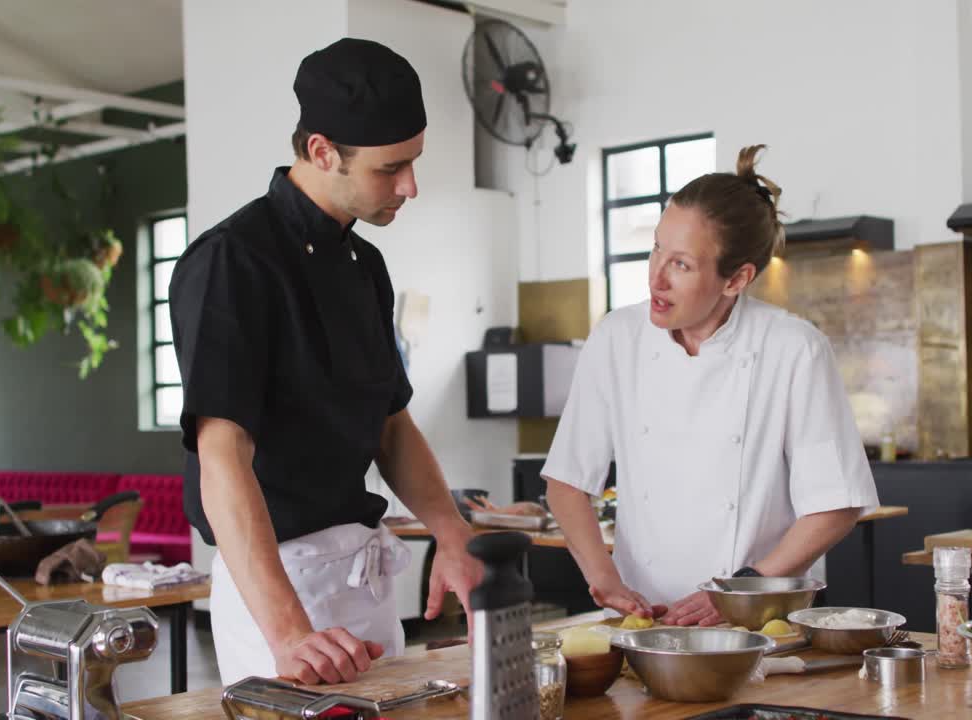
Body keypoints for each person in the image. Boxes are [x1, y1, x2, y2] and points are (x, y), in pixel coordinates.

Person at [169, 38, 481, 686]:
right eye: (390, 169)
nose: (410, 186)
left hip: (360, 580)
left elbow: (391, 425)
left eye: (414, 163)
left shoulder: (366, 266)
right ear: (321, 151)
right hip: (277, 596)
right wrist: (287, 633)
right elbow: (221, 457)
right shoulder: (234, 261)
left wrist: (451, 533)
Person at [543, 145, 879, 627]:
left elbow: (836, 506)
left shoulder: (793, 349)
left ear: (736, 279)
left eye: (681, 264)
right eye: (657, 247)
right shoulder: (617, 337)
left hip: (759, 620)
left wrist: (741, 590)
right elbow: (568, 481)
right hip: (648, 620)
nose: (656, 277)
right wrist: (605, 578)